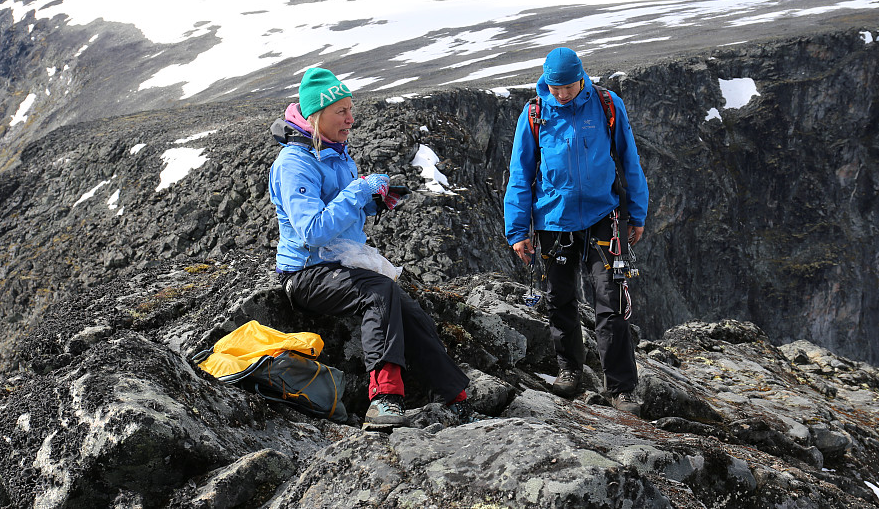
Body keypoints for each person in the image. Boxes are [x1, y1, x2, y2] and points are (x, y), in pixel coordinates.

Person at [268, 67, 472, 429]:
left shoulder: (335, 151)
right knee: (379, 292)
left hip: (337, 262)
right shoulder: (294, 163)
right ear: (316, 115)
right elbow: (313, 230)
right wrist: (358, 191)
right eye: (341, 111)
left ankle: (455, 395)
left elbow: (339, 214)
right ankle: (384, 399)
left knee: (410, 311)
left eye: (350, 109)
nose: (351, 118)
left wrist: (373, 204)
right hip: (305, 272)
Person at [504, 47, 649, 416]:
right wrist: (518, 230)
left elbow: (628, 159)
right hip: (554, 221)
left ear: (581, 77)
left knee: (611, 301)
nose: (561, 93)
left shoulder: (606, 104)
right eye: (555, 87)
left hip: (604, 216)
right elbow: (520, 175)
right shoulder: (534, 113)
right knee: (560, 299)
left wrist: (636, 213)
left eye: (567, 86)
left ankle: (621, 389)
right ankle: (569, 371)